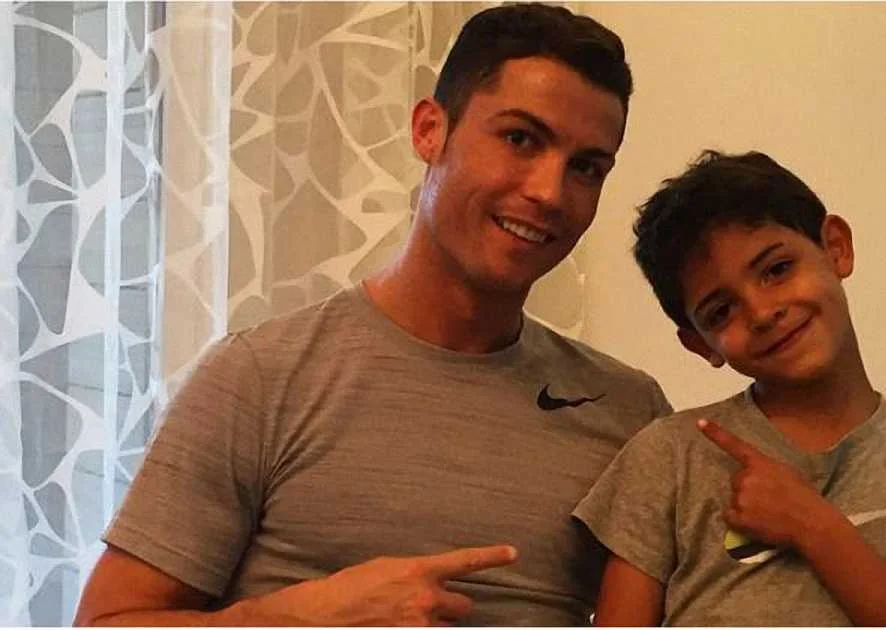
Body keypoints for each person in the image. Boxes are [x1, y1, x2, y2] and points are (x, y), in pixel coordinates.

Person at [75, 4, 671, 626]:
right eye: (520, 139)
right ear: (429, 131)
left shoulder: (629, 415)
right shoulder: (259, 378)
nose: (549, 192)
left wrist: (756, 521)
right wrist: (296, 619)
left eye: (587, 168)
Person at [573, 150, 886, 626]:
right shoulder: (669, 456)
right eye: (721, 311)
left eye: (776, 269)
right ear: (700, 344)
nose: (762, 313)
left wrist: (812, 526)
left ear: (836, 247)